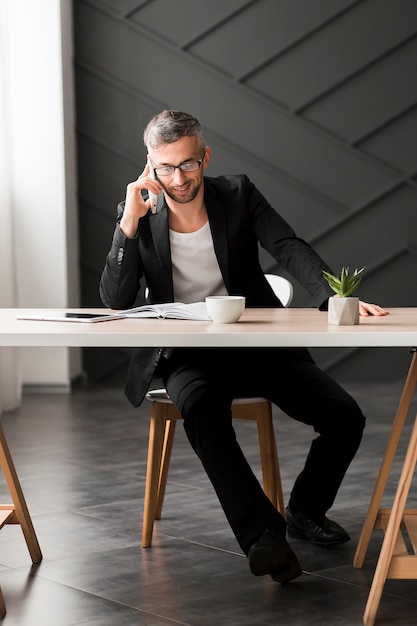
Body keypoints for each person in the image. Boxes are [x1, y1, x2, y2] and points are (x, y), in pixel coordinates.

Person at [99, 110, 388, 584]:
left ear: (205, 157)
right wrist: (129, 219)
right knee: (204, 413)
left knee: (344, 416)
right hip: (187, 353)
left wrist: (336, 294)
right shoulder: (139, 214)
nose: (178, 178)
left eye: (188, 164)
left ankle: (305, 509)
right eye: (166, 168)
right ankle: (262, 537)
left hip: (259, 344)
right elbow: (114, 299)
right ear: (149, 166)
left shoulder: (237, 193)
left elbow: (288, 245)